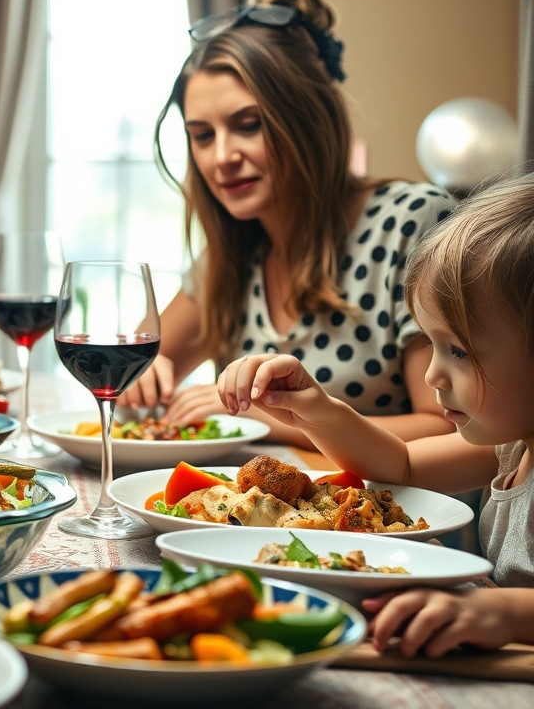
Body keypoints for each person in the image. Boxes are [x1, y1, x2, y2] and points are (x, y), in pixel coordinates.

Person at [121, 0, 456, 450]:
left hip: (384, 520)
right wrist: (145, 372)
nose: (222, 157)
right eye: (202, 135)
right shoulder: (234, 253)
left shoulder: (412, 224)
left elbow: (447, 428)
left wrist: (271, 418)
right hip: (257, 518)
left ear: (307, 118)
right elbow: (138, 359)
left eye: (248, 125)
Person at [216, 170, 534, 657]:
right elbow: (401, 465)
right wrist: (317, 411)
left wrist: (505, 613)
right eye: (433, 345)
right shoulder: (511, 447)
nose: (432, 376)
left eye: (461, 352)